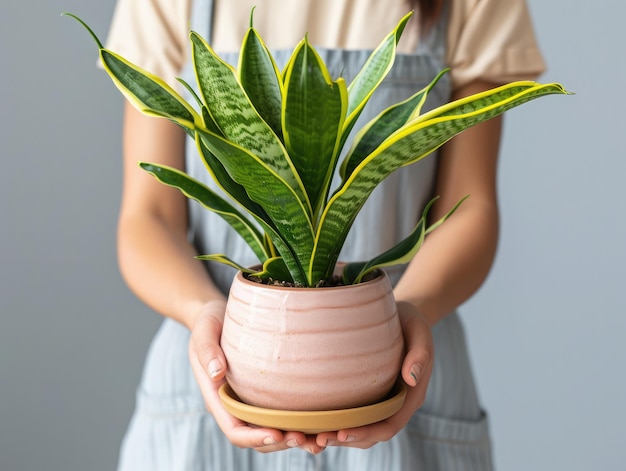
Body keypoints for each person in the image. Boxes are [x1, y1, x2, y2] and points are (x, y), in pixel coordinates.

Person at [104, 0, 545, 469]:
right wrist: (203, 315)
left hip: (397, 362)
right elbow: (148, 216)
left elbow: (469, 208)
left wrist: (408, 312)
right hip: (223, 365)